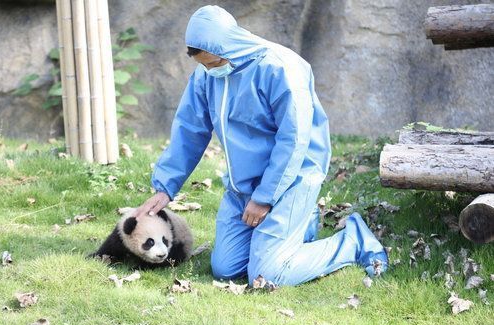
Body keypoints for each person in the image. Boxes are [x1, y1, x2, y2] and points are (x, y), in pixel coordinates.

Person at [136, 5, 388, 286]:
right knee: (225, 269)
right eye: (204, 65)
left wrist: (264, 197)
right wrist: (165, 187)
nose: (210, 71)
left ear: (229, 45)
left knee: (268, 274)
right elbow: (190, 130)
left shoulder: (280, 68)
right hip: (242, 186)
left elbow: (293, 141)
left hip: (290, 181)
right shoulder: (206, 74)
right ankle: (297, 231)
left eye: (215, 63)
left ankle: (352, 240)